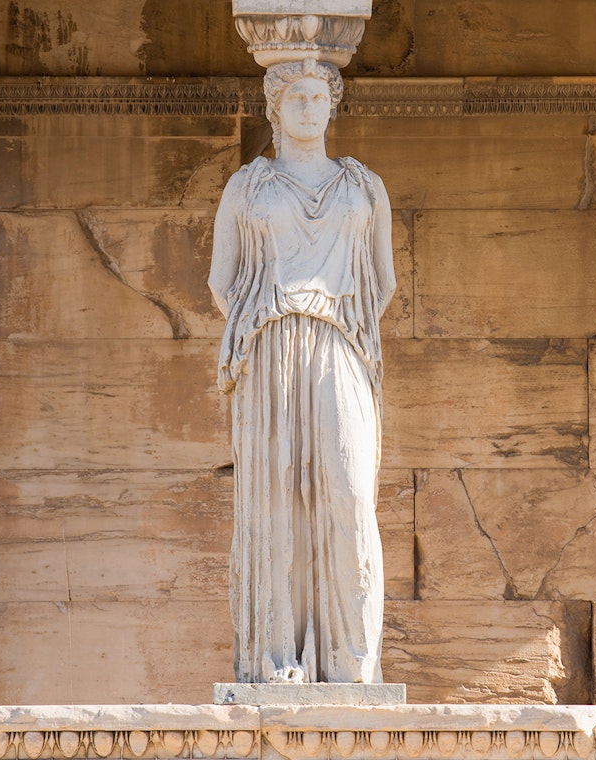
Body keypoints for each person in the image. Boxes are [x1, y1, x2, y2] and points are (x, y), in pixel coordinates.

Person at [208, 58, 396, 684]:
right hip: (268, 347)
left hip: (341, 342)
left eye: (320, 96)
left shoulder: (364, 187)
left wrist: (328, 313)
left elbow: (383, 280)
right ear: (276, 107)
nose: (310, 108)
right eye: (298, 97)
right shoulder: (248, 186)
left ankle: (351, 661)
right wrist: (270, 319)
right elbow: (222, 279)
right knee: (276, 497)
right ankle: (277, 659)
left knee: (347, 489)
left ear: (334, 105)